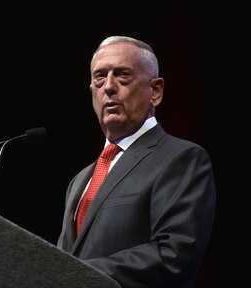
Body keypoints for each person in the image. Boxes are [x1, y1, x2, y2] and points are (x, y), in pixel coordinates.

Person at [56, 35, 216, 288]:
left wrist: (74, 273)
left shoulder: (180, 158)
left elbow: (173, 255)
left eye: (122, 75)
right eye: (99, 77)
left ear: (155, 91)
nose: (108, 86)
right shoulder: (80, 180)